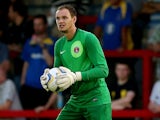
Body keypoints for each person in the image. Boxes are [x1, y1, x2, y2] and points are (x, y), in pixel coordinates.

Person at [40, 4, 111, 120]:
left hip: (96, 97)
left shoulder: (89, 38)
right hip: (76, 99)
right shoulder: (59, 45)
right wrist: (48, 80)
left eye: (64, 17)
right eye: (58, 18)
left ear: (74, 19)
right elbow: (58, 74)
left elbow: (103, 70)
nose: (60, 21)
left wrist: (75, 76)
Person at [20, 14, 56, 110]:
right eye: (35, 25)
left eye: (39, 24)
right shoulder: (29, 42)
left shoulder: (53, 42)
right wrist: (22, 82)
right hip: (29, 87)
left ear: (45, 25)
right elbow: (26, 63)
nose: (36, 27)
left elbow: (50, 63)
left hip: (44, 88)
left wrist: (42, 46)